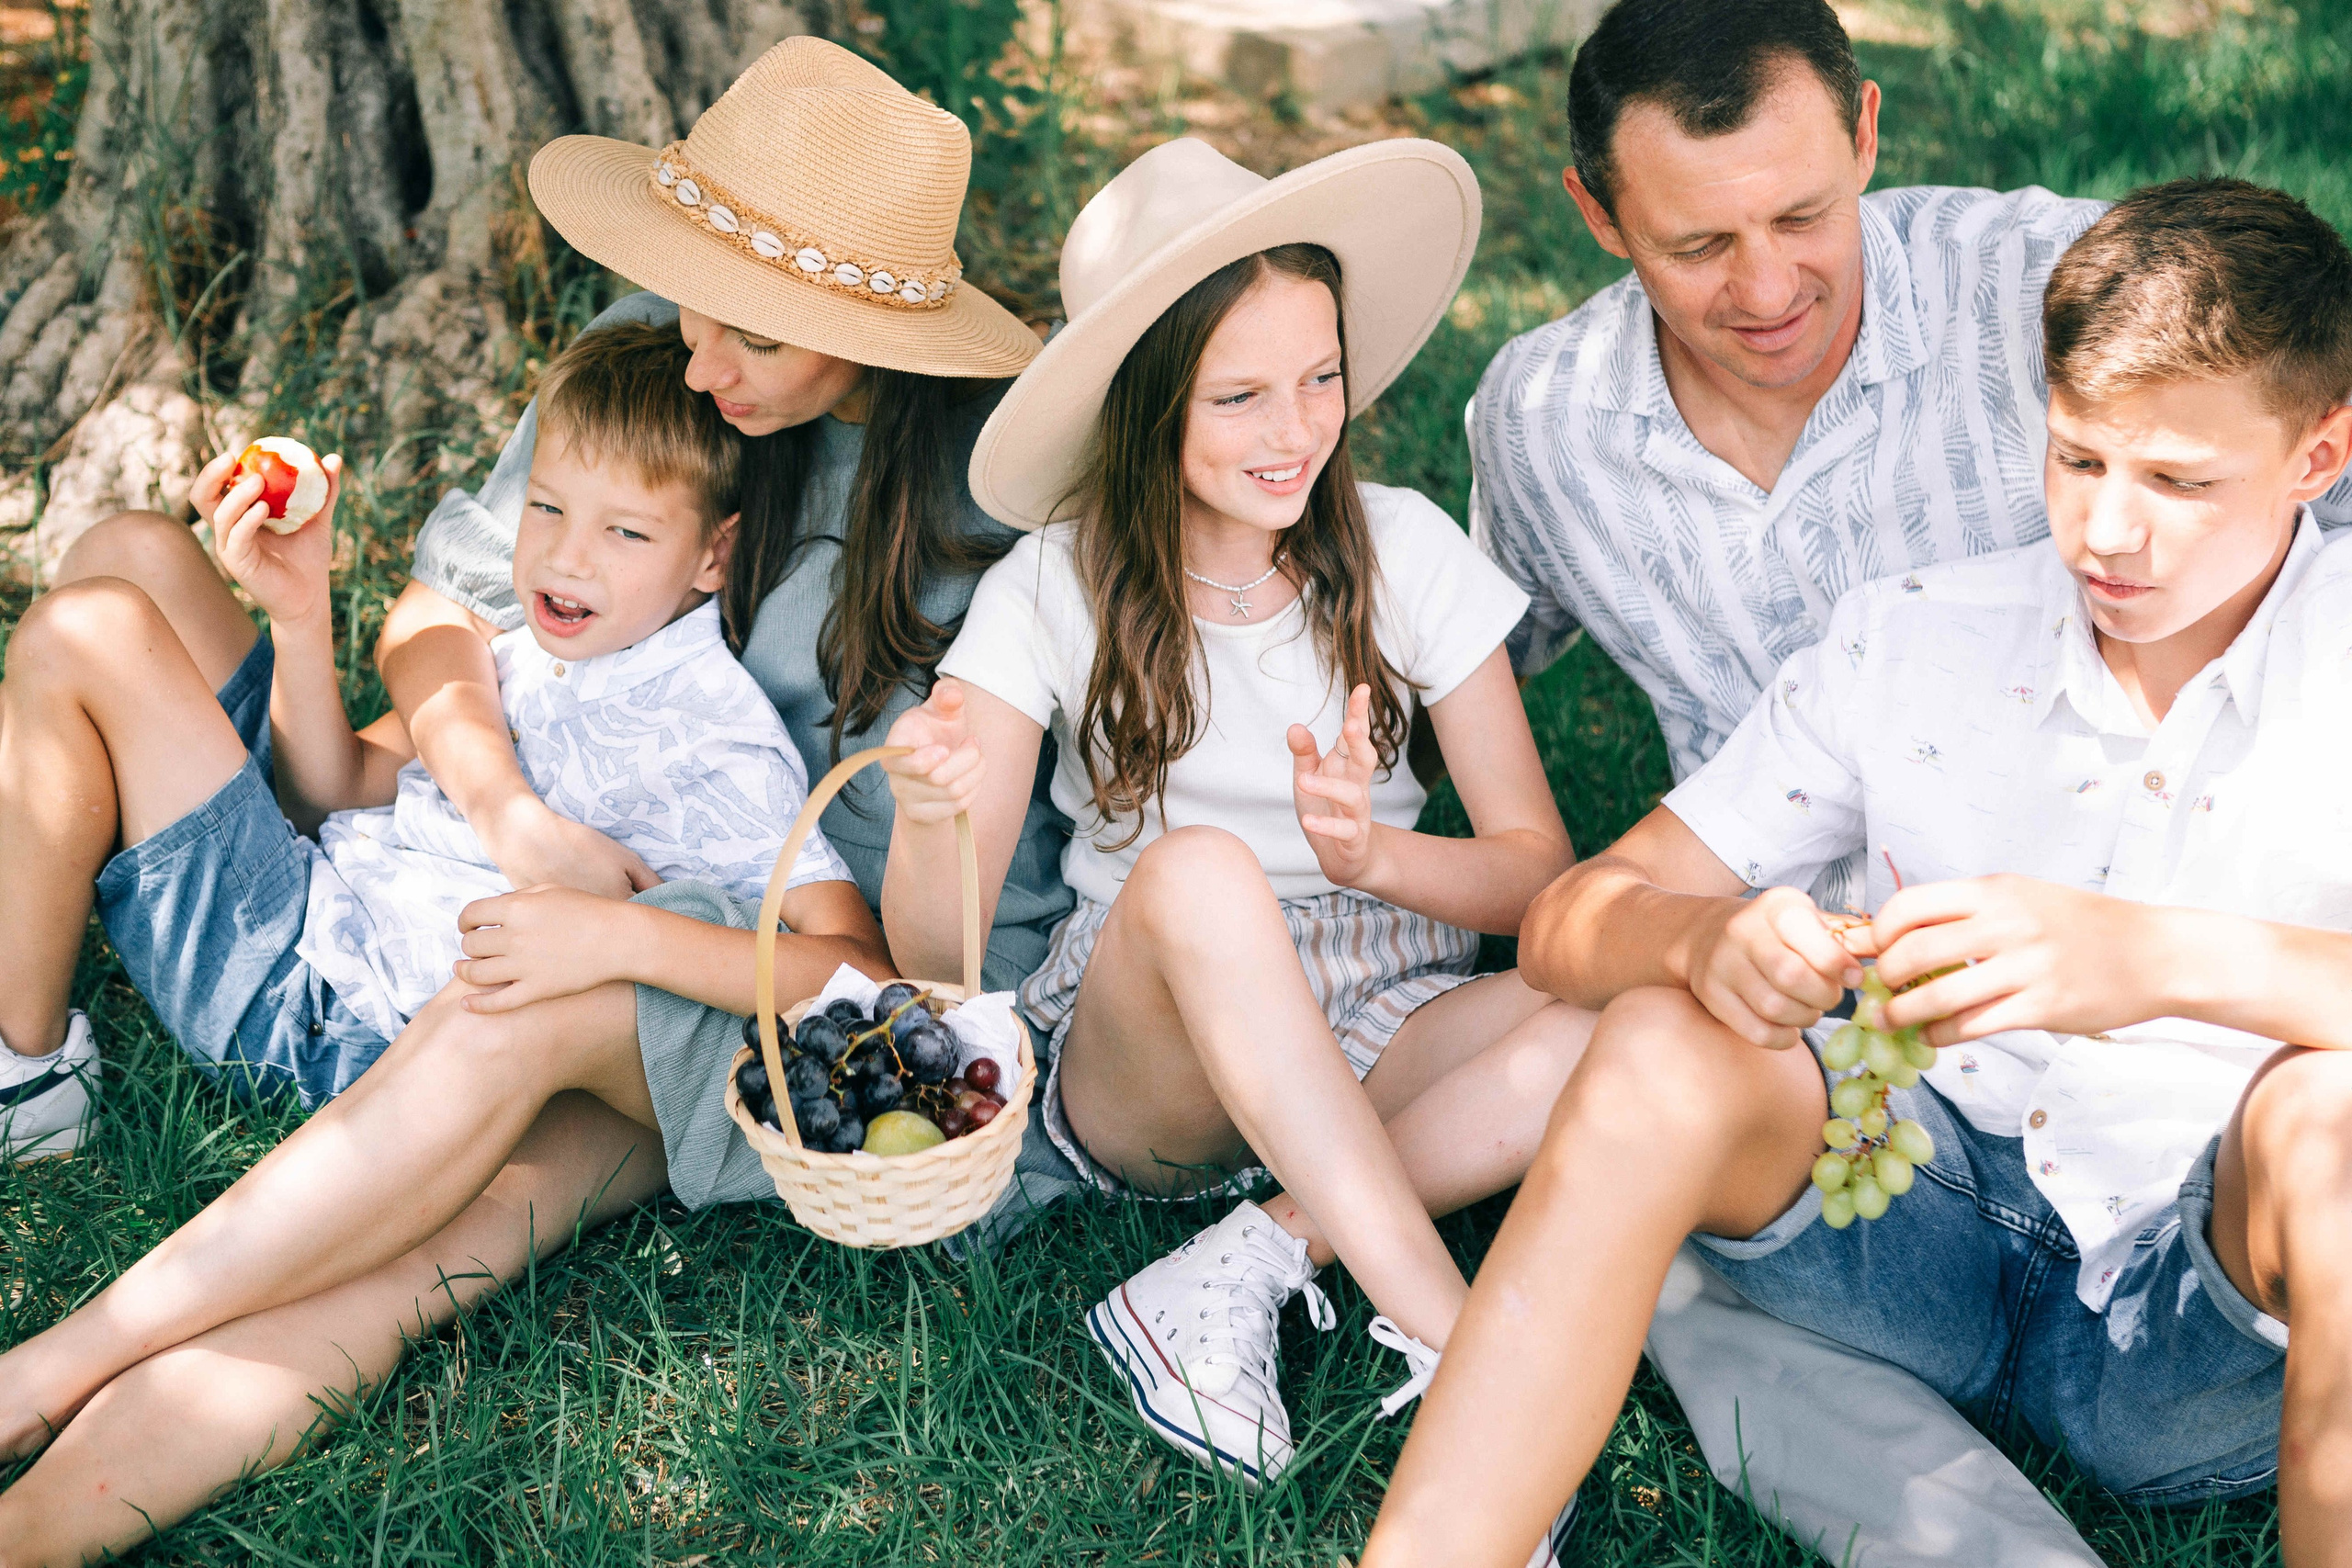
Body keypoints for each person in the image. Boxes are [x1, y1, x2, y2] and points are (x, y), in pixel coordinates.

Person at [0, 39, 1047, 1565]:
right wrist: (498, 805)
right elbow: (444, 625)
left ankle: (54, 1421)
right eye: (693, 298)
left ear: (864, 329)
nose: (701, 359)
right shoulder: (660, 363)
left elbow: (879, 964)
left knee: (455, 1230)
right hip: (501, 851)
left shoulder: (969, 507)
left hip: (713, 961)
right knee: (125, 567)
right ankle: (33, 1077)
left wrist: (581, 913)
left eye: (751, 331)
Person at [1465, 0, 2349, 1555]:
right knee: (1654, 1047)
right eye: (2077, 463)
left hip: (2195, 1320)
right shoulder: (1916, 635)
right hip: (1904, 1214)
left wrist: (2147, 962)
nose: (2110, 534)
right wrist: (1696, 942)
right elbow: (1575, 908)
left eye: (2177, 483)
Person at [877, 134, 1586, 1540]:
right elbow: (936, 960)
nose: (1296, 428)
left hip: (1386, 993)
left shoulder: (1403, 546)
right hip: (1163, 1042)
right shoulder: (1049, 590)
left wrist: (1377, 858)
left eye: (1321, 376)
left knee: (1616, 1014)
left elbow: (1539, 878)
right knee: (1196, 870)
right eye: (1241, 395)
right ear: (1149, 412)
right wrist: (930, 819)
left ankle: (1248, 1256)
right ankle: (1462, 1350)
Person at [0, 321, 856, 1167]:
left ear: (715, 553)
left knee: (83, 631)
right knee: (134, 548)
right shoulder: (539, 651)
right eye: (548, 507)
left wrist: (624, 938)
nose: (566, 557)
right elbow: (331, 788)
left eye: (624, 532)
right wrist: (300, 615)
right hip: (329, 889)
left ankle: (31, 1083)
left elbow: (854, 968)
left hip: (331, 1019)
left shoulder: (713, 744)